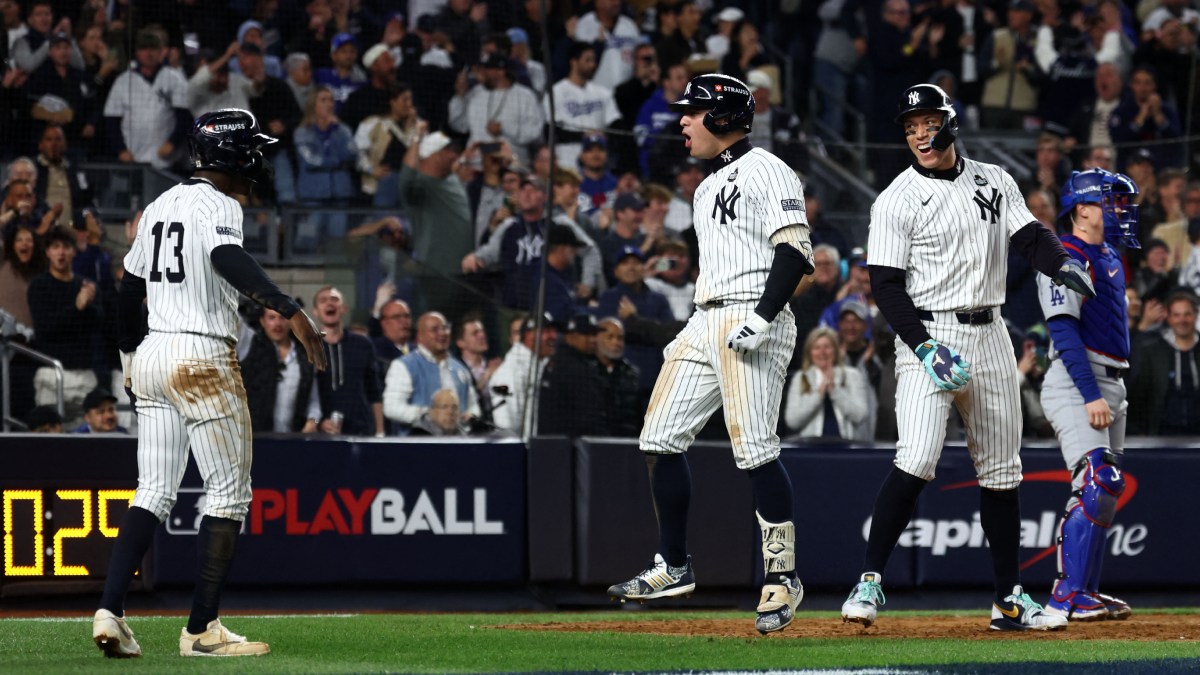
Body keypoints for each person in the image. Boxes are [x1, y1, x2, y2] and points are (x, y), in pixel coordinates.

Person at [840, 84, 1094, 632]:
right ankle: (868, 581)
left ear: (950, 124)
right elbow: (885, 287)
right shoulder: (895, 198)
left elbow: (1030, 238)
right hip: (927, 333)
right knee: (918, 457)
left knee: (1003, 473)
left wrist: (1063, 263)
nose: (919, 135)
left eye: (927, 123)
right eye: (910, 128)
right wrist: (925, 346)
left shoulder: (995, 179)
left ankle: (1008, 601)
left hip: (991, 333)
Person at [93, 108, 326, 658]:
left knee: (152, 490)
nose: (258, 159)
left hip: (151, 354)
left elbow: (129, 289)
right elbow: (225, 256)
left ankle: (110, 610)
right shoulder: (220, 204)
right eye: (252, 149)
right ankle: (202, 630)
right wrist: (287, 306)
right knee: (227, 493)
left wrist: (129, 357)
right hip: (200, 355)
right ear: (231, 155)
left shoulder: (158, 206)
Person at [607, 74, 816, 635]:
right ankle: (673, 564)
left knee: (754, 451)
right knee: (658, 438)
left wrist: (762, 316)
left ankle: (783, 575)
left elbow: (795, 253)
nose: (682, 120)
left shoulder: (769, 169)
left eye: (693, 112)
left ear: (723, 118)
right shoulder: (702, 188)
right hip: (707, 315)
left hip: (756, 311)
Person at [1036, 169, 1138, 621]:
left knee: (1107, 490)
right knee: (1096, 481)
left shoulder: (1110, 256)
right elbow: (1063, 330)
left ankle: (1087, 592)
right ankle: (1065, 595)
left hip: (1113, 379)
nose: (1120, 210)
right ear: (1082, 209)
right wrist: (1091, 392)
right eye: (1111, 202)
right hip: (1079, 380)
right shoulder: (1065, 256)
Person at [26, 226, 100, 428]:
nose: (61, 252)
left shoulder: (86, 287)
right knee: (49, 443)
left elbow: (98, 325)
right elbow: (46, 327)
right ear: (47, 252)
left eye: (66, 247)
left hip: (84, 375)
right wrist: (77, 307)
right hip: (52, 374)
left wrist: (89, 304)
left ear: (74, 251)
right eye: (55, 247)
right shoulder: (39, 286)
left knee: (87, 446)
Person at [382, 311, 479, 435]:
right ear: (420, 336)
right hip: (419, 446)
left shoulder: (460, 368)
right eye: (434, 329)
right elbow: (391, 408)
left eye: (445, 328)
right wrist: (429, 415)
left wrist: (471, 415)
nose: (442, 333)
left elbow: (473, 406)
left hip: (458, 445)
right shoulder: (403, 366)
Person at [313, 285, 385, 437]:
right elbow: (304, 397)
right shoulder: (307, 347)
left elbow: (374, 391)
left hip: (362, 431)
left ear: (343, 308)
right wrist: (317, 423)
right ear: (315, 311)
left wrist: (380, 432)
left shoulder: (363, 344)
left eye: (334, 299)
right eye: (323, 300)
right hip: (321, 434)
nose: (329, 303)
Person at [1128, 291, 1200, 435]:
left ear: (1195, 315)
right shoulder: (1153, 352)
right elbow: (1140, 395)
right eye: (1176, 315)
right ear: (1168, 317)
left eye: (1187, 314)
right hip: (1162, 435)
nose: (1182, 320)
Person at [240, 307, 321, 434]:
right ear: (262, 321)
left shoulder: (305, 356)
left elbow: (313, 400)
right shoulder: (250, 345)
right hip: (255, 438)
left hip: (292, 440)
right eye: (271, 318)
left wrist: (313, 421)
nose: (277, 323)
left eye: (283, 317)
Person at [784, 327, 870, 439]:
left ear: (835, 350)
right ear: (810, 352)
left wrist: (834, 391)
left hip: (847, 447)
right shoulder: (801, 378)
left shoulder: (853, 375)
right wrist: (819, 395)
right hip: (810, 449)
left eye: (827, 347)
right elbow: (792, 421)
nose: (822, 352)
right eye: (817, 348)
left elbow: (860, 416)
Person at [538, 313, 605, 437]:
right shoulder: (573, 367)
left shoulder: (556, 361)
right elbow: (588, 414)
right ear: (571, 336)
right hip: (571, 443)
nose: (593, 340)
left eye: (594, 335)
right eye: (587, 335)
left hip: (552, 442)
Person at [490, 313, 557, 435]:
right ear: (528, 335)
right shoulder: (510, 370)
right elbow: (505, 424)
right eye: (547, 331)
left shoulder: (544, 365)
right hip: (525, 450)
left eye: (553, 331)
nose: (554, 336)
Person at [594, 316, 642, 436]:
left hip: (626, 441)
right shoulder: (586, 370)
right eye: (609, 337)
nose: (616, 342)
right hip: (594, 441)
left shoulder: (631, 373)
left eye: (620, 338)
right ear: (596, 338)